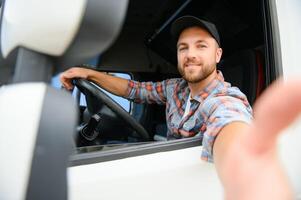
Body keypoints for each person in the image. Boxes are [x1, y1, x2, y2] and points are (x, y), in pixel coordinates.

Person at [60, 16, 294, 199]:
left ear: (218, 54)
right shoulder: (176, 88)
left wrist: (246, 171)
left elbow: (230, 124)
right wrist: (90, 73)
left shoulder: (224, 98)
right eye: (184, 48)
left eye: (201, 46)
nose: (190, 55)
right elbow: (134, 89)